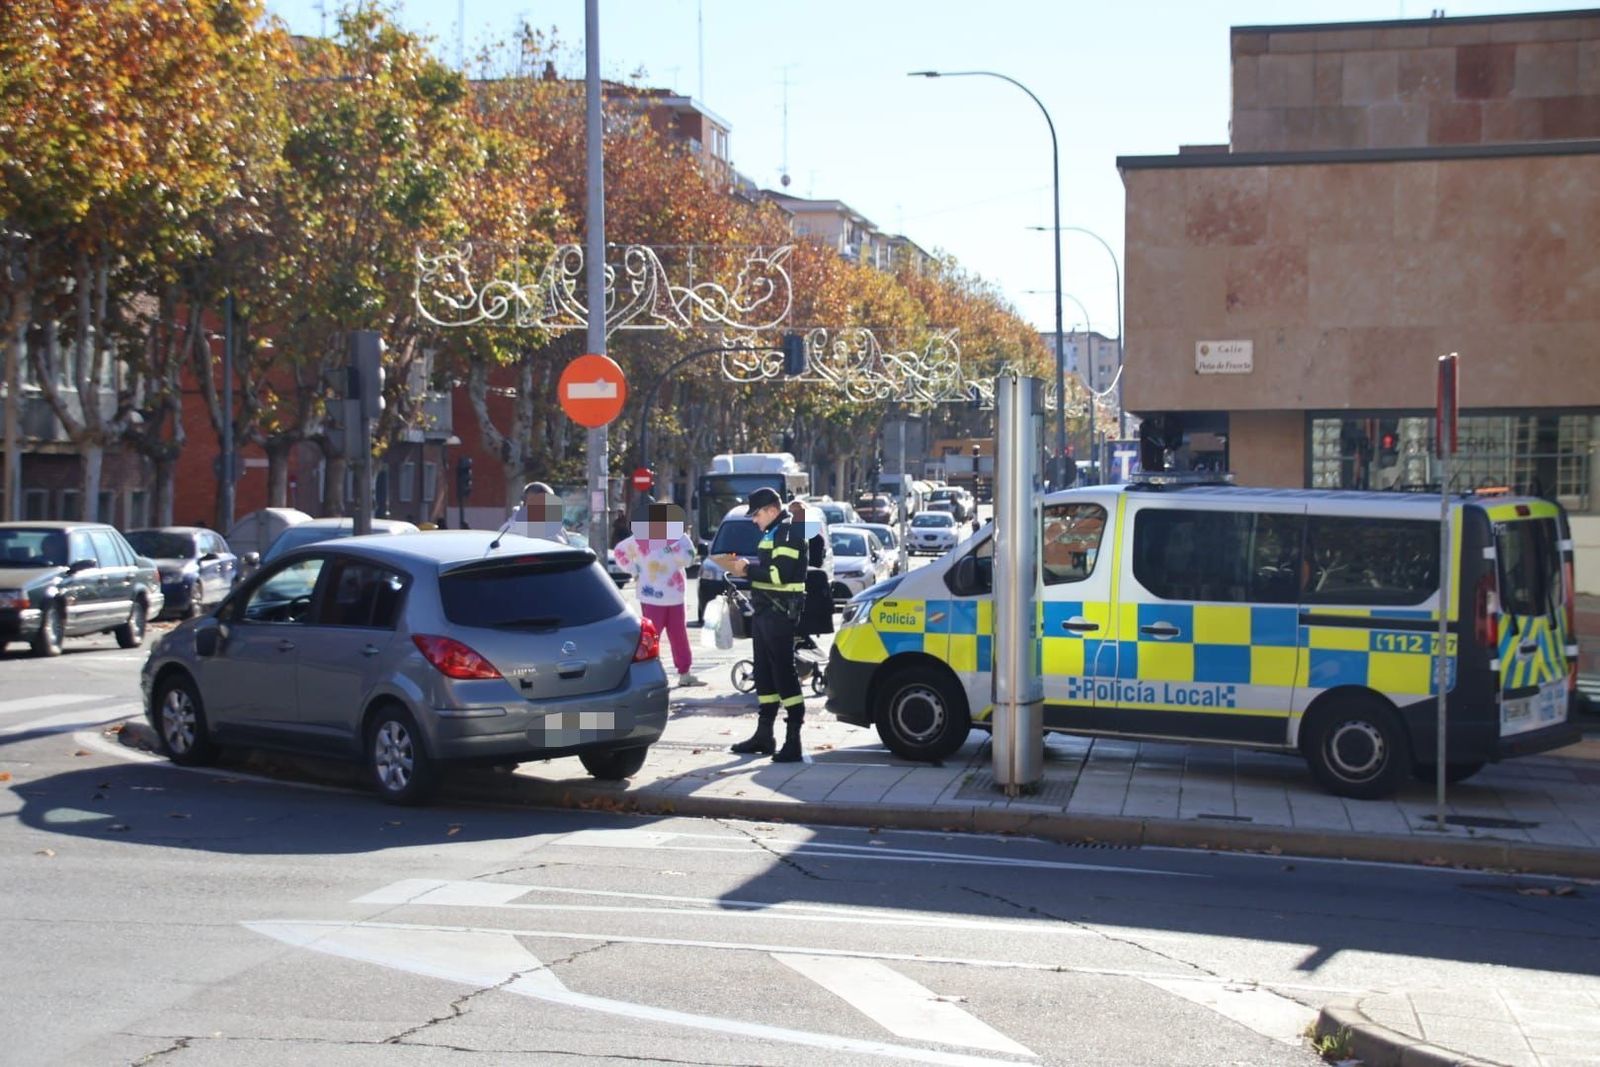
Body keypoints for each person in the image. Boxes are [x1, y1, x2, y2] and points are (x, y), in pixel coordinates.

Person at [714, 486, 808, 762]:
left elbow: (779, 576)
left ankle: (793, 740)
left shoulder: (788, 532)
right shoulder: (774, 532)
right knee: (764, 673)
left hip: (780, 613)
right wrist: (744, 569)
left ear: (772, 510)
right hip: (766, 610)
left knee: (784, 673)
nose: (754, 520)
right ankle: (764, 735)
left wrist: (745, 569)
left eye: (757, 514)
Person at [613, 502, 701, 687]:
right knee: (651, 637)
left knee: (678, 635)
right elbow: (620, 550)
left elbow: (689, 558)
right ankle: (647, 674)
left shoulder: (680, 537)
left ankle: (684, 672)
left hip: (675, 596)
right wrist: (633, 569)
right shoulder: (642, 537)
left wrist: (672, 546)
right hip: (651, 596)